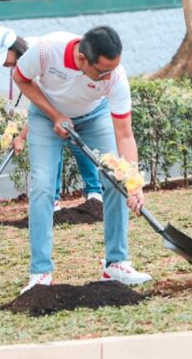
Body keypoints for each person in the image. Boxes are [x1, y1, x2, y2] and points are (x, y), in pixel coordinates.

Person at [13, 26, 152, 293]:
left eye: (114, 69)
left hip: (93, 115)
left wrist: (134, 182)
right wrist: (54, 115)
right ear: (81, 60)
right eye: (102, 72)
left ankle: (116, 263)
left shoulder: (115, 77)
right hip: (45, 117)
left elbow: (124, 134)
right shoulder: (45, 50)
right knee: (42, 186)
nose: (109, 77)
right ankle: (41, 272)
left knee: (115, 180)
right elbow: (21, 79)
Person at [0, 26, 103, 208]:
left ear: (13, 47)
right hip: (55, 105)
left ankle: (94, 194)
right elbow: (40, 104)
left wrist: (22, 137)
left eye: (3, 58)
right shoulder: (21, 57)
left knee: (77, 144)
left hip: (72, 100)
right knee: (53, 149)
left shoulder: (36, 56)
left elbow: (43, 104)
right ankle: (52, 201)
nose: (3, 64)